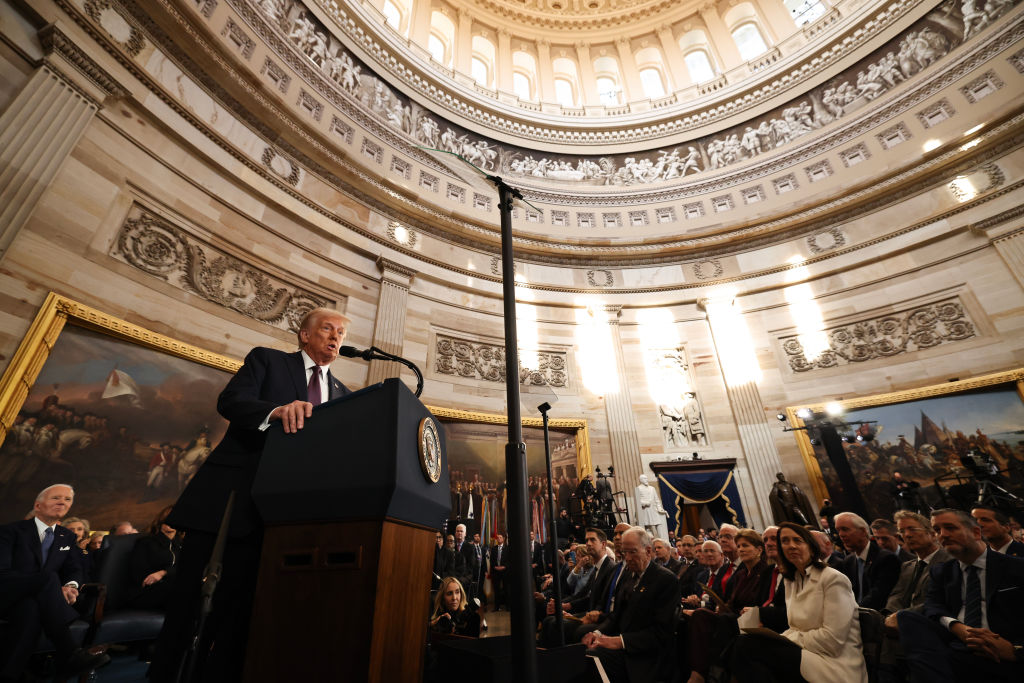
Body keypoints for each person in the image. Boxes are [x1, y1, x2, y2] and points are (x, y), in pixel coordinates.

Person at [150, 307, 351, 683]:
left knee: (243, 620)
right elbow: (231, 401)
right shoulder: (269, 361)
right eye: (328, 328)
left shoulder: (343, 394)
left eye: (341, 332)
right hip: (228, 507)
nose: (336, 337)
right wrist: (276, 411)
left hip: (284, 522)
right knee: (190, 611)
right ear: (305, 335)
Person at [730, 522, 868, 682]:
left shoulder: (832, 578)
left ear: (810, 546)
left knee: (748, 647)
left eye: (797, 540)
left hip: (834, 663)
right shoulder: (792, 581)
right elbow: (795, 626)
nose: (791, 546)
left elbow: (833, 641)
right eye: (785, 541)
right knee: (743, 643)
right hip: (807, 652)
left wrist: (786, 639)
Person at [897, 508, 1024, 682]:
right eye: (937, 530)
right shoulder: (942, 571)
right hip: (958, 643)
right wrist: (959, 628)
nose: (943, 535)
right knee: (906, 617)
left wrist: (1016, 650)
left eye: (950, 527)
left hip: (1000, 646)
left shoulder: (1016, 567)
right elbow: (933, 606)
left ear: (976, 532)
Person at [0, 484, 110, 681]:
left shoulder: (66, 536)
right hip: (7, 594)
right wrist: (47, 585)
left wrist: (71, 586)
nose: (62, 502)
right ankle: (70, 652)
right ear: (38, 505)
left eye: (67, 499)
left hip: (34, 602)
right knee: (48, 578)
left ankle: (9, 674)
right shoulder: (11, 531)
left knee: (30, 611)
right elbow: (3, 572)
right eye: (55, 498)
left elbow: (74, 569)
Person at [582, 527, 680, 683]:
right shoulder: (629, 575)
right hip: (626, 647)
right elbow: (616, 616)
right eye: (624, 552)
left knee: (594, 657)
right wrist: (597, 634)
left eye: (632, 552)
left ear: (648, 551)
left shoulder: (666, 580)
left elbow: (661, 632)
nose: (627, 558)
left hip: (646, 655)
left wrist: (619, 641)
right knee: (583, 653)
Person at [684, 529, 771, 683]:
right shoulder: (740, 575)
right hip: (732, 616)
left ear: (759, 549)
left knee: (723, 621)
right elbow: (730, 601)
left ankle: (717, 671)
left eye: (746, 545)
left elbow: (764, 602)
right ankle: (697, 672)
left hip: (751, 620)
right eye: (739, 546)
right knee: (700, 615)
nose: (741, 549)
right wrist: (721, 606)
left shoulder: (766, 572)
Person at [836, 511, 900, 610]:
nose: (841, 534)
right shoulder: (848, 561)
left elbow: (879, 596)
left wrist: (854, 611)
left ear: (863, 532)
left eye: (845, 529)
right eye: (838, 530)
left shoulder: (886, 558)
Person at [126, 506, 181, 610]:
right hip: (145, 593)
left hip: (170, 590)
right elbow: (139, 574)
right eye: (168, 519)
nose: (172, 522)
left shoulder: (180, 545)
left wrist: (164, 573)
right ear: (161, 521)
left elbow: (187, 569)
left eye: (176, 519)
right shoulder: (146, 542)